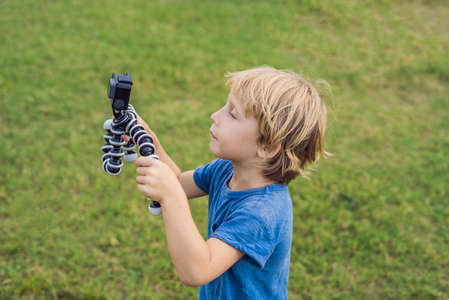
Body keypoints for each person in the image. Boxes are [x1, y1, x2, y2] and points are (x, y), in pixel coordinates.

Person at [132, 66, 328, 299]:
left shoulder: (262, 213)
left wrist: (171, 197)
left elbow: (197, 271)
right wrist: (148, 140)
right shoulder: (226, 169)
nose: (215, 115)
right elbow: (178, 183)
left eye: (233, 113)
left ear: (267, 147)